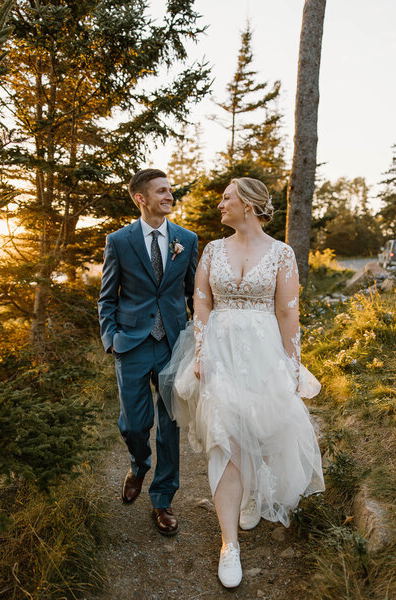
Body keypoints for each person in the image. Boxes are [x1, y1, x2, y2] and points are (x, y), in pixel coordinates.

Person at [159, 177, 324, 586]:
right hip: (220, 353)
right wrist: (200, 352)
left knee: (263, 429)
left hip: (265, 351)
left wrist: (293, 365)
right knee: (226, 438)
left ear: (247, 204)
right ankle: (228, 544)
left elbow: (288, 313)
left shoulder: (282, 254)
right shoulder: (213, 250)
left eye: (225, 199)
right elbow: (201, 301)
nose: (220, 205)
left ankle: (251, 494)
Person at [98, 168, 198, 536]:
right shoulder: (119, 241)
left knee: (170, 423)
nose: (170, 196)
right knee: (135, 423)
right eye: (162, 191)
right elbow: (107, 296)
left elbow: (193, 294)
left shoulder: (186, 239)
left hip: (173, 344)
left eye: (170, 190)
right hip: (132, 343)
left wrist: (199, 337)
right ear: (141, 198)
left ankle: (162, 498)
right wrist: (111, 337)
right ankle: (139, 464)